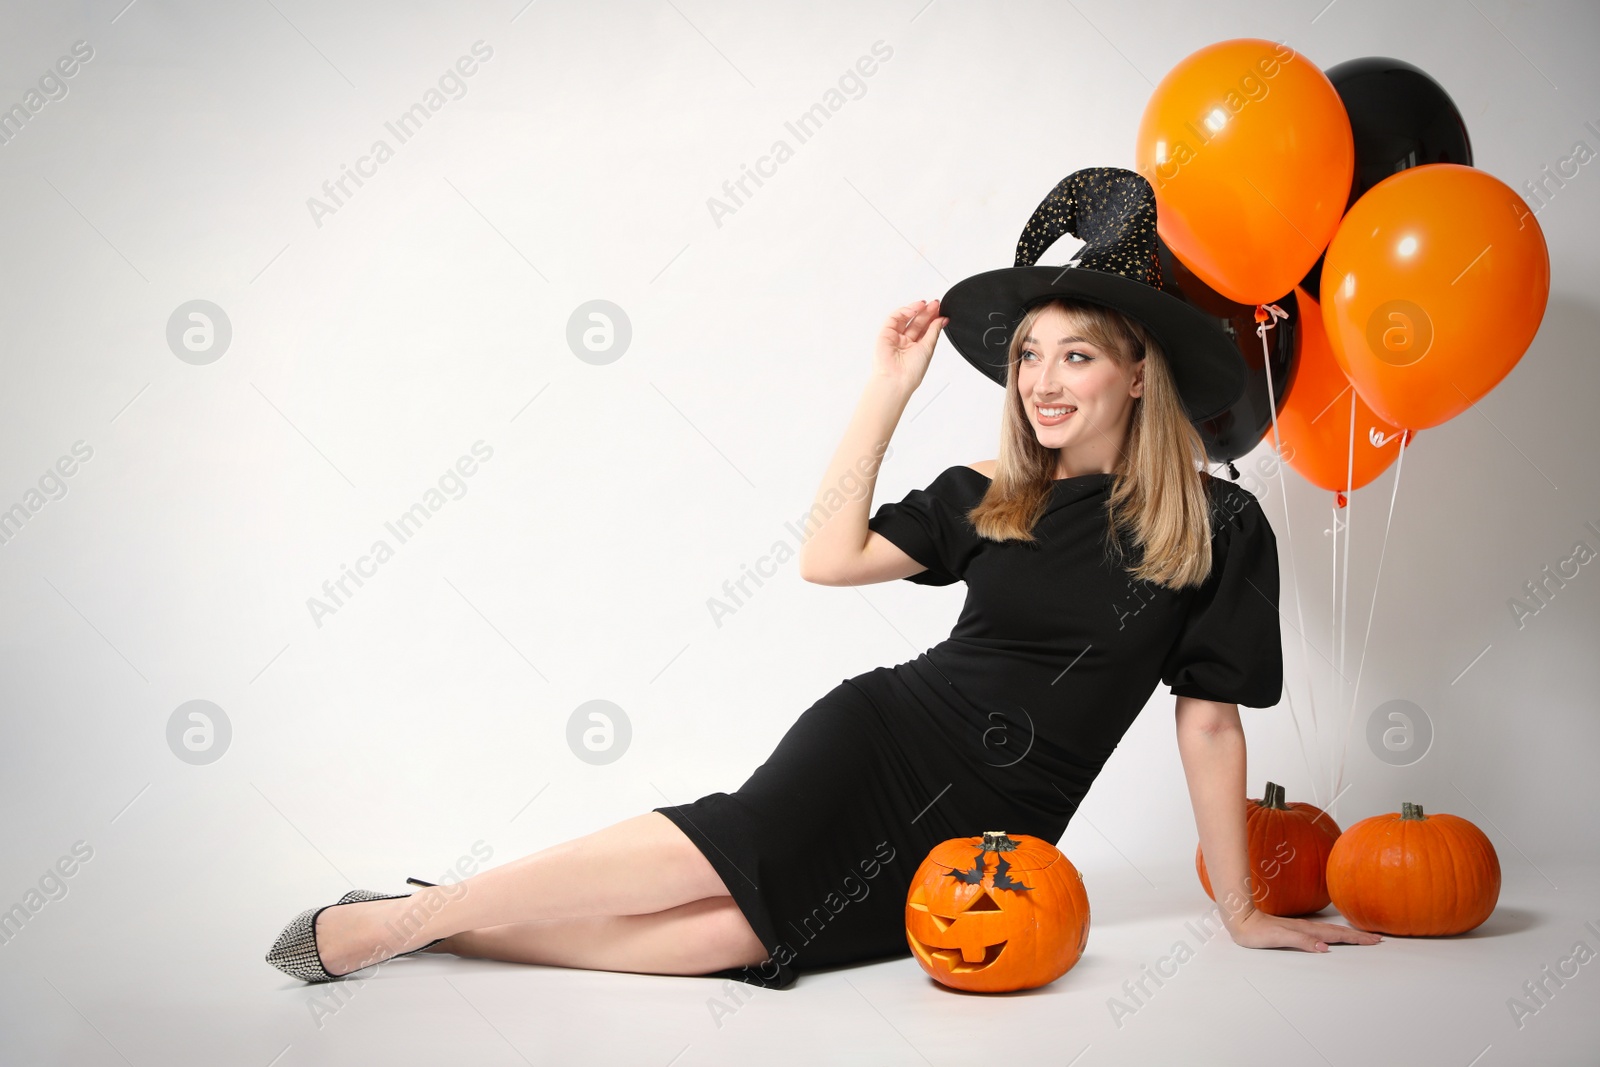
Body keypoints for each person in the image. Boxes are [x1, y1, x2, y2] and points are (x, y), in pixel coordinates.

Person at [266, 168, 1381, 990]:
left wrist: (1238, 910)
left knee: (741, 936)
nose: (1041, 381)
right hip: (888, 735)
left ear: (1138, 374)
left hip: (1000, 822)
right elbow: (827, 556)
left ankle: (437, 924)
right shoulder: (991, 490)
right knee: (721, 854)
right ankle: (390, 924)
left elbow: (1208, 729)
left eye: (1075, 356)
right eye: (1028, 355)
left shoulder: (1220, 524)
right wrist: (887, 388)